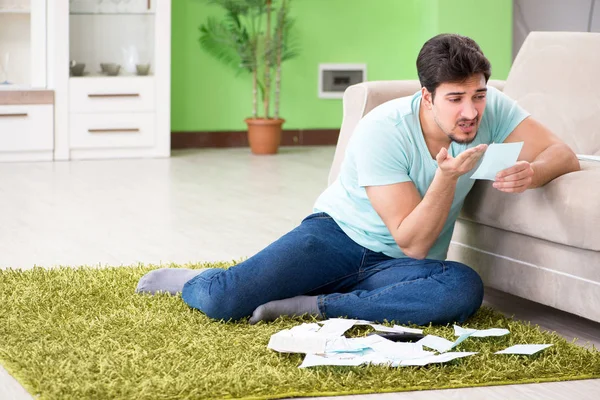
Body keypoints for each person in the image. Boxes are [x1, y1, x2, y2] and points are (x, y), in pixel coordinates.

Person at [136, 33, 580, 326]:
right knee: (222, 303)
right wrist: (446, 179)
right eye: (456, 99)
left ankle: (314, 305)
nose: (471, 112)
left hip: (396, 270)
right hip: (336, 240)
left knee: (462, 287)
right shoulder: (383, 130)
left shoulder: (491, 107)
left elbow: (563, 153)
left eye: (479, 95)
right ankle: (200, 279)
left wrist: (534, 171)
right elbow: (413, 240)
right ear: (426, 96)